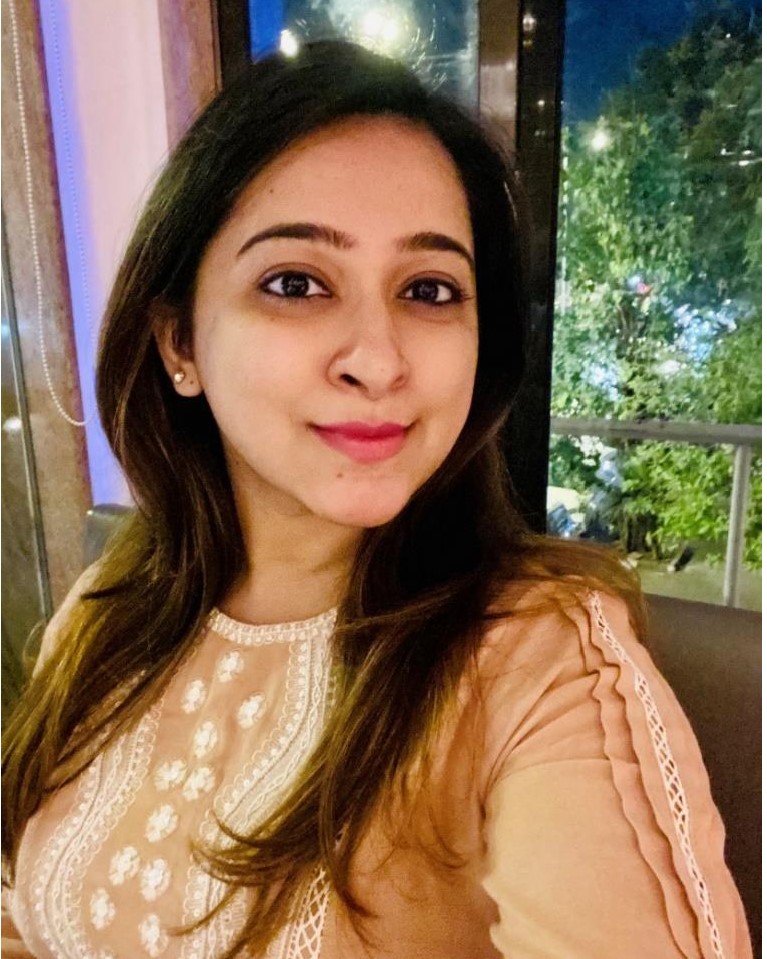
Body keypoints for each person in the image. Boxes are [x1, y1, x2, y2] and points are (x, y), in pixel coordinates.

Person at [1, 39, 750, 959]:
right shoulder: (106, 613)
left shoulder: (539, 663)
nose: (379, 359)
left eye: (429, 290)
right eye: (296, 284)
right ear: (179, 343)